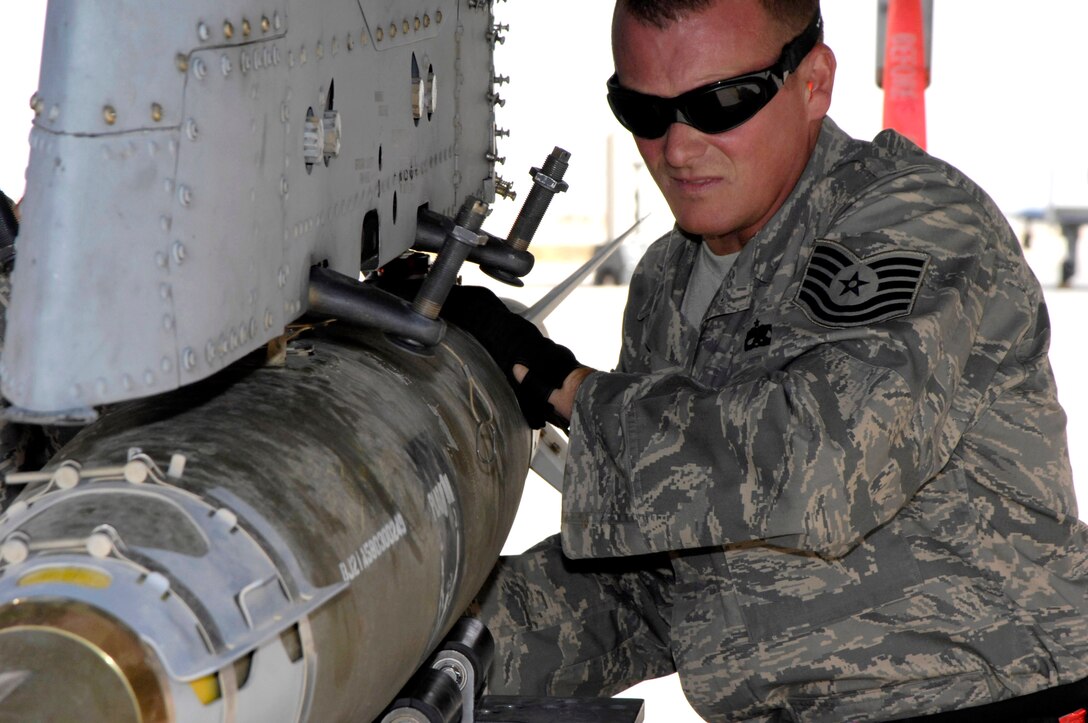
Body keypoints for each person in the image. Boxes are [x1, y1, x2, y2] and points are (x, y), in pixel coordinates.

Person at [448, 0, 1088, 720]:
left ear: (814, 83)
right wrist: (446, 641)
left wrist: (559, 384)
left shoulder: (918, 225)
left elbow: (821, 465)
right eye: (642, 111)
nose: (678, 148)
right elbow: (659, 581)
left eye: (720, 103)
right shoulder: (667, 283)